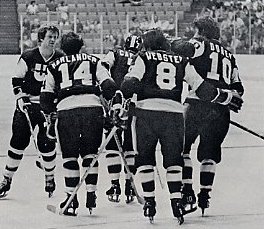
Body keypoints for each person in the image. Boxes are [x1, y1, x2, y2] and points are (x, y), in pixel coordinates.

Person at [120, 29, 243, 224]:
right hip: (174, 115)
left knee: (145, 159)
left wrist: (125, 101)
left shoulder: (143, 57)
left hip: (146, 113)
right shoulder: (181, 61)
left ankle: (150, 202)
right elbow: (203, 89)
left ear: (148, 44)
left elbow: (129, 83)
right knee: (174, 161)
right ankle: (176, 202)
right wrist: (227, 98)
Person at [171, 15, 244, 216]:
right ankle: (205, 195)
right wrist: (225, 99)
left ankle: (187, 192)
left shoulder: (201, 44)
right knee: (209, 155)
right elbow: (238, 90)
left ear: (201, 32)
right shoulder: (229, 55)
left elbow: (181, 48)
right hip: (220, 111)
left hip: (196, 105)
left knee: (183, 149)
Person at [40, 32, 117, 216]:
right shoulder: (93, 60)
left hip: (67, 111)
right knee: (91, 154)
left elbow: (45, 97)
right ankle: (91, 195)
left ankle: (71, 199)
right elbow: (109, 86)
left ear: (62, 48)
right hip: (93, 109)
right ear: (81, 45)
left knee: (70, 156)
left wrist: (51, 112)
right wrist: (108, 104)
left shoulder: (53, 65)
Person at [0, 25, 64, 199]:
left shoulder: (61, 58)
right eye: (50, 36)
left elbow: (64, 83)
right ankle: (6, 179)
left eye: (55, 37)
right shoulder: (28, 56)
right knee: (18, 141)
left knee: (47, 143)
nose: (53, 40)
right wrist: (21, 98)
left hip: (49, 107)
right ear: (41, 39)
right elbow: (16, 80)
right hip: (27, 105)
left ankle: (49, 178)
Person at [101, 35, 143, 203]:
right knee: (129, 146)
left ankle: (114, 184)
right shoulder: (142, 58)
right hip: (133, 104)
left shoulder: (115, 53)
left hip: (114, 103)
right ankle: (129, 184)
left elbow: (103, 66)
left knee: (112, 144)